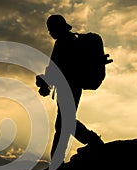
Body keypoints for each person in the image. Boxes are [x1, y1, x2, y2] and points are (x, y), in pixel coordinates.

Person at [38, 14, 104, 160]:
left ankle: (59, 159)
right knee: (65, 122)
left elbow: (56, 69)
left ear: (57, 28)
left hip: (69, 87)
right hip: (72, 86)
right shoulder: (71, 40)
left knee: (63, 123)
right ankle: (92, 141)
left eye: (51, 29)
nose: (50, 33)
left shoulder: (63, 42)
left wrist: (44, 81)